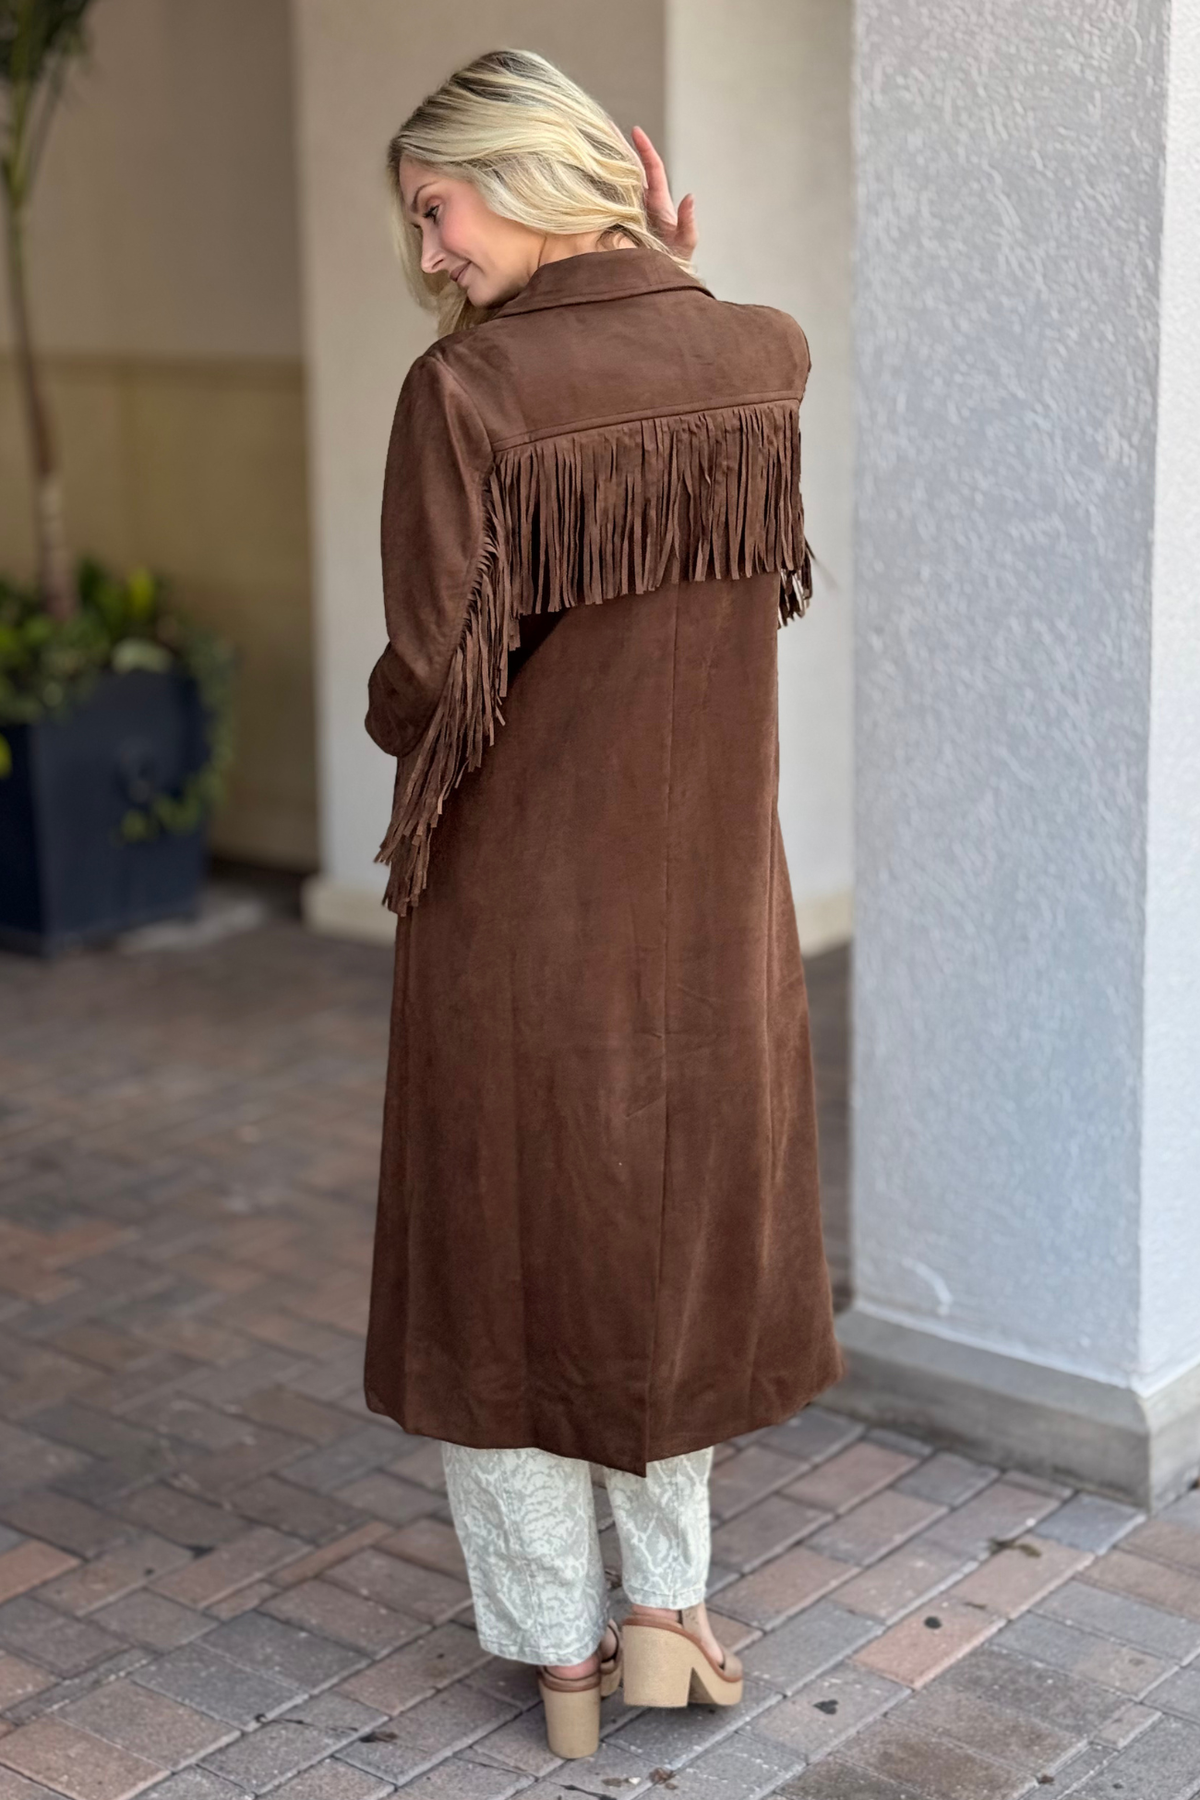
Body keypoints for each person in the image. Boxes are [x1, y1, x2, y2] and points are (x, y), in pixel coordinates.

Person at [361, 47, 843, 1761]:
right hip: (709, 913)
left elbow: (432, 676)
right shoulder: (757, 359)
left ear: (531, 172)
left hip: (516, 920)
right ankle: (665, 1620)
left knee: (503, 1273)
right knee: (667, 1257)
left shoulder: (469, 397)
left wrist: (390, 716)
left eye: (441, 207)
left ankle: (559, 1659)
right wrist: (675, 277)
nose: (432, 254)